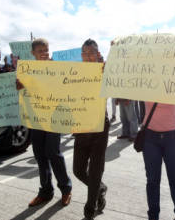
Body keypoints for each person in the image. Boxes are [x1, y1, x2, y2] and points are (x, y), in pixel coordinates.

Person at [22, 38, 72, 207]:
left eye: (46, 50)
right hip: (37, 118)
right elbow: (22, 92)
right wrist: (18, 86)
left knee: (53, 152)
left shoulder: (56, 68)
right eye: (40, 51)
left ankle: (66, 189)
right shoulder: (27, 71)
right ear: (33, 53)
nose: (44, 53)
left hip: (54, 117)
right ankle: (46, 191)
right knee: (39, 154)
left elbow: (67, 88)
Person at [73, 39, 110, 220]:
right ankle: (100, 188)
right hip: (81, 126)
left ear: (97, 54)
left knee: (95, 171)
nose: (88, 56)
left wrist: (108, 71)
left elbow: (117, 86)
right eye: (85, 53)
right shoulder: (74, 74)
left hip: (99, 127)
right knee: (78, 170)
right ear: (81, 56)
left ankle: (89, 211)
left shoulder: (104, 71)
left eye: (91, 53)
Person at [141, 102, 175, 220]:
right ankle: (153, 216)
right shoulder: (147, 83)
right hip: (150, 136)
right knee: (152, 180)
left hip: (173, 136)